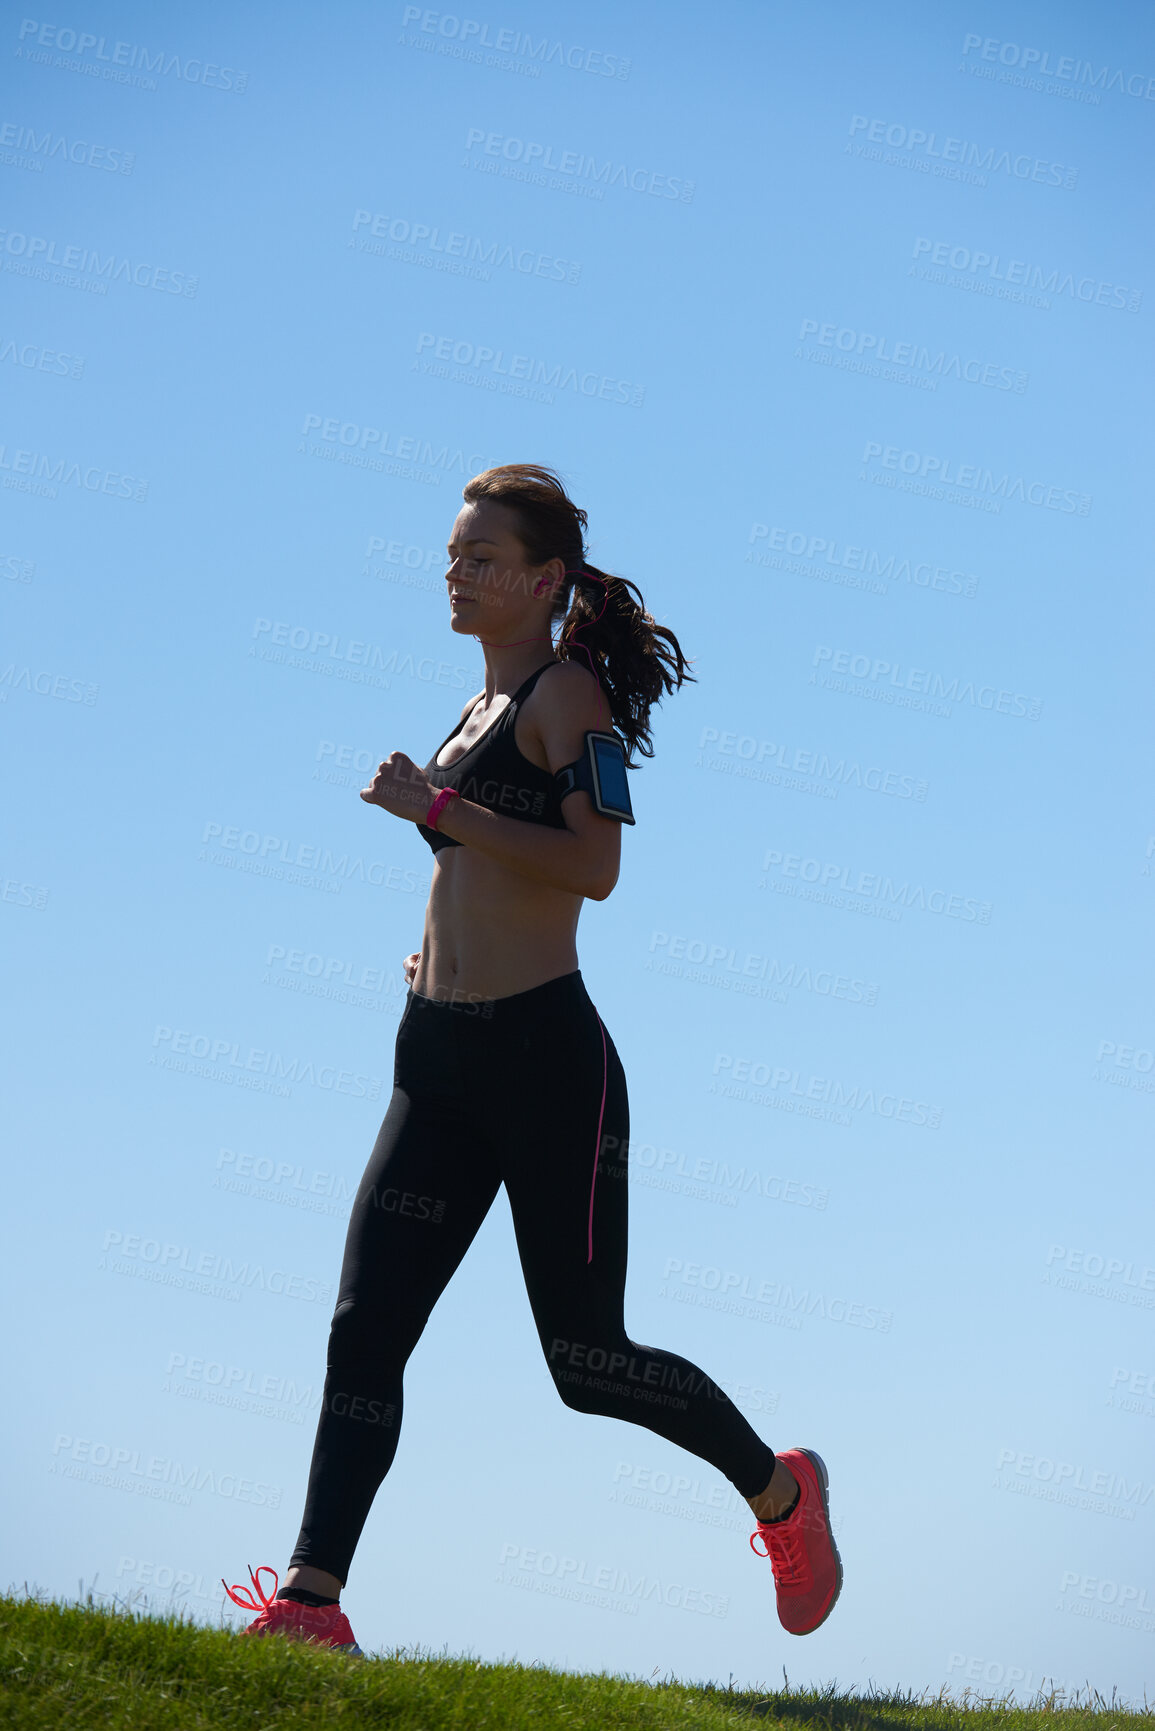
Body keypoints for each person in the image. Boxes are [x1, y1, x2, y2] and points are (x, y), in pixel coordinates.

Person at [222, 464, 841, 1656]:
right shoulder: (467, 715)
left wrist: (439, 812)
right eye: (453, 555)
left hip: (549, 1067)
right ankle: (312, 1600)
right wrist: (430, 955)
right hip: (436, 1064)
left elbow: (594, 868)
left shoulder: (572, 702)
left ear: (546, 580)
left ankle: (780, 1490)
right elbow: (480, 879)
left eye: (483, 558)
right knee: (366, 1324)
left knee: (586, 1361)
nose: (457, 574)